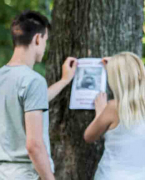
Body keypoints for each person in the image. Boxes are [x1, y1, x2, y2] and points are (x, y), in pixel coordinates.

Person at [0, 10, 77, 180]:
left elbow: (30, 102)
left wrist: (64, 81)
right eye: (45, 40)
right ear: (37, 39)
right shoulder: (33, 81)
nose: (44, 46)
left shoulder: (3, 77)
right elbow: (34, 145)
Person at [84, 52, 145, 180]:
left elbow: (89, 136)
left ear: (117, 80)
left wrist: (100, 112)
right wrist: (116, 64)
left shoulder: (114, 108)